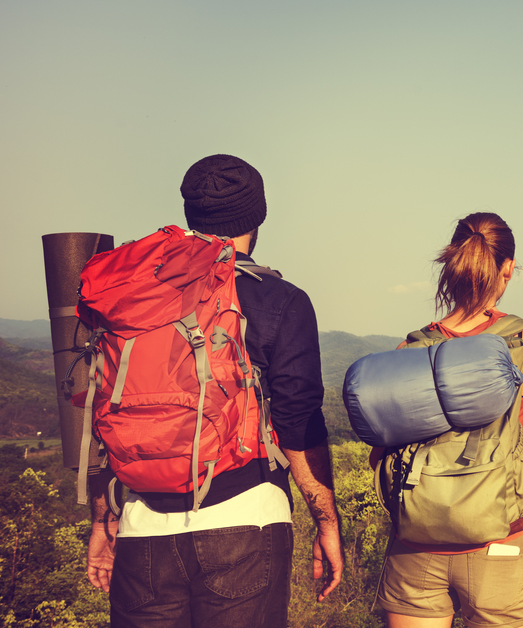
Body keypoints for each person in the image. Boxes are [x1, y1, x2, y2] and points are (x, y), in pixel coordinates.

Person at [85, 154, 344, 627]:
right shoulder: (279, 299)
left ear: (191, 216)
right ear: (258, 215)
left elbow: (103, 408)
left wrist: (103, 517)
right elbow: (298, 422)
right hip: (245, 521)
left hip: (142, 523)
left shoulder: (133, 295)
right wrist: (327, 521)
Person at [370, 212, 523, 628]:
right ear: (508, 269)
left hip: (415, 552)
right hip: (501, 546)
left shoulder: (409, 348)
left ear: (452, 263)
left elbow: (380, 458)